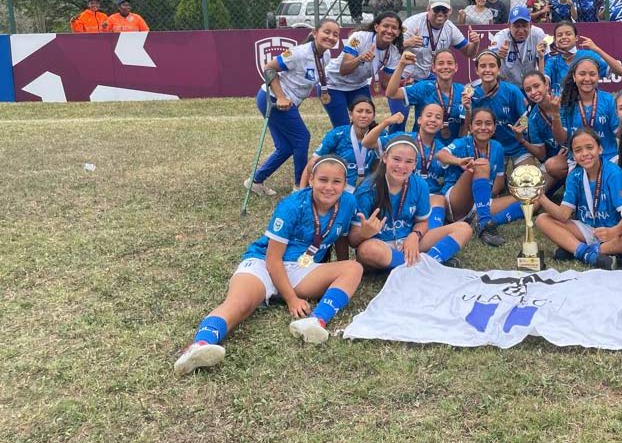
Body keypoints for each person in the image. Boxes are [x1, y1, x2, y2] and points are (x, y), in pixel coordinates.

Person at [174, 155, 364, 375]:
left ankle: (315, 322)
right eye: (323, 180)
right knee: (241, 304)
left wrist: (337, 269)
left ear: (344, 183)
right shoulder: (292, 205)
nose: (329, 187)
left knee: (353, 267)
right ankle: (200, 346)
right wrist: (292, 299)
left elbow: (340, 236)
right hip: (265, 264)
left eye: (336, 182)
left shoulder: (349, 202)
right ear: (311, 180)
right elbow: (273, 259)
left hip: (301, 269)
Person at [246, 20, 340, 197]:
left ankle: (255, 181)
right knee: (302, 138)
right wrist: (281, 97)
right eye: (326, 32)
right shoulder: (299, 53)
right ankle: (300, 186)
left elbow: (315, 76)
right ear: (315, 32)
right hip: (272, 99)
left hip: (287, 102)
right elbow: (269, 69)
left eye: (335, 34)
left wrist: (325, 91)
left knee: (285, 147)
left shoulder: (325, 56)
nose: (331, 37)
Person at [353, 134, 473, 271]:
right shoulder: (367, 190)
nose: (401, 166)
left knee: (463, 228)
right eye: (396, 159)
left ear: (415, 164)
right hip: (381, 246)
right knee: (367, 250)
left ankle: (421, 263)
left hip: (409, 242)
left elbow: (422, 222)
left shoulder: (420, 185)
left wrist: (414, 235)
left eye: (409, 161)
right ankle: (423, 266)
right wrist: (364, 233)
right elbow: (353, 240)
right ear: (385, 158)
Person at [535, 128, 622, 269]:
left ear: (600, 149)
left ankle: (580, 249)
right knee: (542, 220)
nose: (585, 154)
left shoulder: (614, 174)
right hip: (588, 229)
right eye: (578, 150)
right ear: (573, 156)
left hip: (614, 231)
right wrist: (540, 196)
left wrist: (614, 232)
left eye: (589, 148)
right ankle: (587, 254)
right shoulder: (574, 176)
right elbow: (563, 215)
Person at [436, 107, 524, 246]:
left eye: (488, 124)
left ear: (494, 128)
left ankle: (484, 220)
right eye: (478, 123)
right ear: (470, 127)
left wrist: (485, 195)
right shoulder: (462, 143)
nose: (483, 127)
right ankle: (485, 226)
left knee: (531, 199)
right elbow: (440, 155)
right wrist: (459, 161)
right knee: (481, 164)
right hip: (456, 203)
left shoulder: (497, 147)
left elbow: (499, 183)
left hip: (480, 204)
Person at [399, 0, 481, 127]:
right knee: (399, 119)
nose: (440, 13)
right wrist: (407, 43)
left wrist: (476, 43)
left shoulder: (450, 28)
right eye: (436, 9)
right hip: (406, 76)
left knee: (432, 115)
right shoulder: (412, 23)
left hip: (427, 76)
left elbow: (469, 53)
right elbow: (390, 48)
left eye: (444, 9)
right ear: (428, 9)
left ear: (450, 11)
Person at [324, 12, 402, 127]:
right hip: (333, 84)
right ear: (376, 27)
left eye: (394, 28)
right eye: (385, 26)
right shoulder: (359, 37)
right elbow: (343, 70)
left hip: (358, 86)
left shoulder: (394, 53)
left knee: (367, 124)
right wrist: (360, 58)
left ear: (398, 32)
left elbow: (386, 85)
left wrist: (402, 79)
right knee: (343, 127)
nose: (389, 31)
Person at [300, 97, 380, 194]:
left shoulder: (381, 135)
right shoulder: (338, 134)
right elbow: (312, 163)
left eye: (368, 112)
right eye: (359, 111)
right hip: (340, 188)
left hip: (366, 188)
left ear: (373, 116)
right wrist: (301, 191)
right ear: (350, 115)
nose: (363, 115)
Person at [386, 48, 468, 141]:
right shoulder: (423, 88)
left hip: (450, 149)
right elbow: (391, 93)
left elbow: (465, 126)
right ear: (433, 67)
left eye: (449, 63)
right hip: (423, 149)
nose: (445, 67)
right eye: (440, 63)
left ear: (456, 67)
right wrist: (401, 65)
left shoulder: (463, 91)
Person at [553, 55, 620, 167]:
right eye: (582, 74)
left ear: (599, 76)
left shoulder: (608, 100)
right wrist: (555, 115)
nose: (587, 79)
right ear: (574, 77)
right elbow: (562, 140)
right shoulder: (566, 102)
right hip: (578, 158)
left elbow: (618, 133)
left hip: (608, 156)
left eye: (592, 74)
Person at [468, 50, 529, 166]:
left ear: (499, 69)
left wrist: (522, 128)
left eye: (492, 66)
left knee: (525, 180)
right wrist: (467, 109)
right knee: (490, 181)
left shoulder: (512, 91)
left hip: (518, 148)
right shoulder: (472, 94)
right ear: (476, 70)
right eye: (483, 66)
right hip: (489, 149)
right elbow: (468, 125)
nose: (487, 70)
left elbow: (525, 116)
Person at [543, 21, 622, 96]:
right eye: (559, 35)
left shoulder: (589, 56)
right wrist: (540, 58)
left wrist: (597, 49)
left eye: (568, 34)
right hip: (561, 108)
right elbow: (543, 85)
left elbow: (620, 71)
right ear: (555, 40)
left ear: (576, 38)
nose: (564, 37)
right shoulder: (552, 60)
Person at [490, 6, 546, 87]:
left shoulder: (538, 34)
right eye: (517, 26)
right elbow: (489, 60)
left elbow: (546, 62)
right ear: (509, 26)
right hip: (507, 85)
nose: (521, 31)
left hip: (530, 85)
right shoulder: (500, 38)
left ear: (530, 25)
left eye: (524, 26)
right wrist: (497, 57)